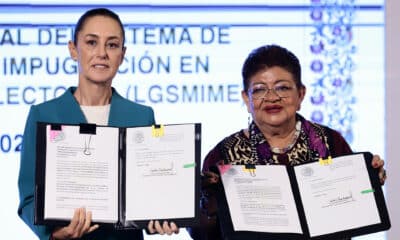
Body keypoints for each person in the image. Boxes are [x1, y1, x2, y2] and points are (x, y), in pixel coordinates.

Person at [188, 44, 387, 240]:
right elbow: (205, 234)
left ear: (300, 94)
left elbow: (353, 213)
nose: (272, 98)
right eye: (259, 90)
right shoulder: (223, 156)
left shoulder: (330, 142)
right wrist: (202, 210)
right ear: (246, 99)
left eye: (282, 88)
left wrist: (369, 180)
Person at [17, 8, 179, 240]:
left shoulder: (141, 116)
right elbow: (28, 198)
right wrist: (53, 234)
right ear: (73, 49)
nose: (102, 53)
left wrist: (161, 217)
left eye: (112, 45)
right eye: (92, 42)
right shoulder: (43, 114)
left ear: (122, 55)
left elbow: (148, 193)